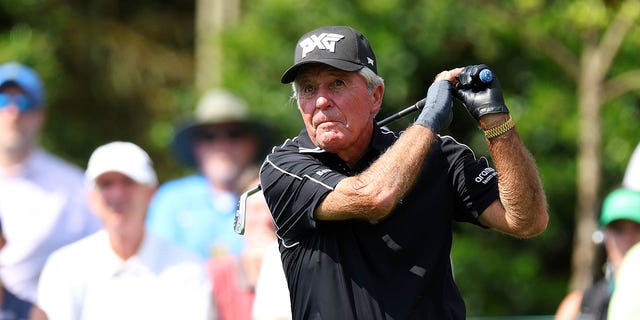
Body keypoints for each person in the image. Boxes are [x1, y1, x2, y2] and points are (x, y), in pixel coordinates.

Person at [258, 25, 549, 319]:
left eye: (336, 83)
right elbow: (373, 197)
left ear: (376, 96)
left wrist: (496, 121)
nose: (321, 100)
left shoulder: (437, 155)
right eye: (308, 88)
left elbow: (528, 220)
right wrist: (430, 119)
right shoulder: (284, 165)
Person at [37, 141, 212, 320]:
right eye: (106, 184)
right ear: (91, 198)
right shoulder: (64, 267)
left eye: (128, 183)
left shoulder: (187, 269)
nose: (117, 194)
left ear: (151, 194)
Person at [0, 61, 100, 317]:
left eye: (24, 102)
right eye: (3, 100)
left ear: (40, 115)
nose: (13, 111)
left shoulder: (74, 186)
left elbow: (102, 259)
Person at [147, 89, 269, 259]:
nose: (222, 145)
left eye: (234, 134)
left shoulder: (270, 198)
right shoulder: (170, 200)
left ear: (253, 143)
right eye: (209, 136)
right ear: (195, 147)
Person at [555, 187, 640, 320]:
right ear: (602, 238)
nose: (628, 239)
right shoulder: (578, 306)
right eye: (618, 230)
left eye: (637, 228)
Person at [207, 176, 280, 320]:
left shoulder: (306, 276)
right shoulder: (215, 278)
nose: (265, 219)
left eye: (273, 208)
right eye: (256, 209)